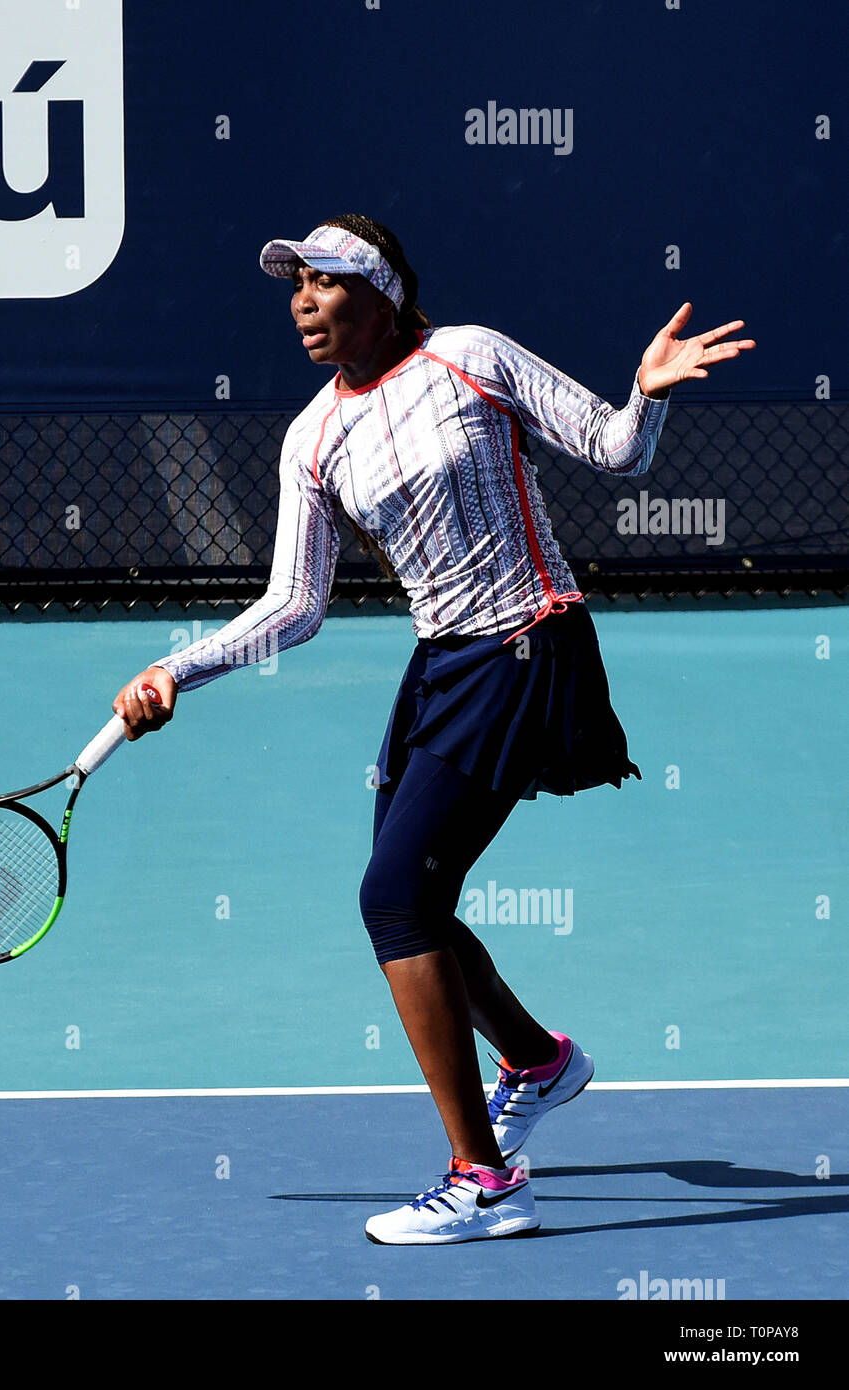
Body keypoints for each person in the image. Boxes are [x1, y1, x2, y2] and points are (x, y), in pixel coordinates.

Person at [111, 215, 754, 1244]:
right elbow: (294, 603)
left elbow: (613, 449)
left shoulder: (470, 356)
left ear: (378, 289)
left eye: (320, 285)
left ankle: (485, 1180)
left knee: (392, 897)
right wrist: (175, 666)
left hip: (525, 643)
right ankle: (537, 1060)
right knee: (416, 899)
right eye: (293, 290)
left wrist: (646, 391)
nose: (300, 305)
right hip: (439, 664)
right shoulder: (311, 435)